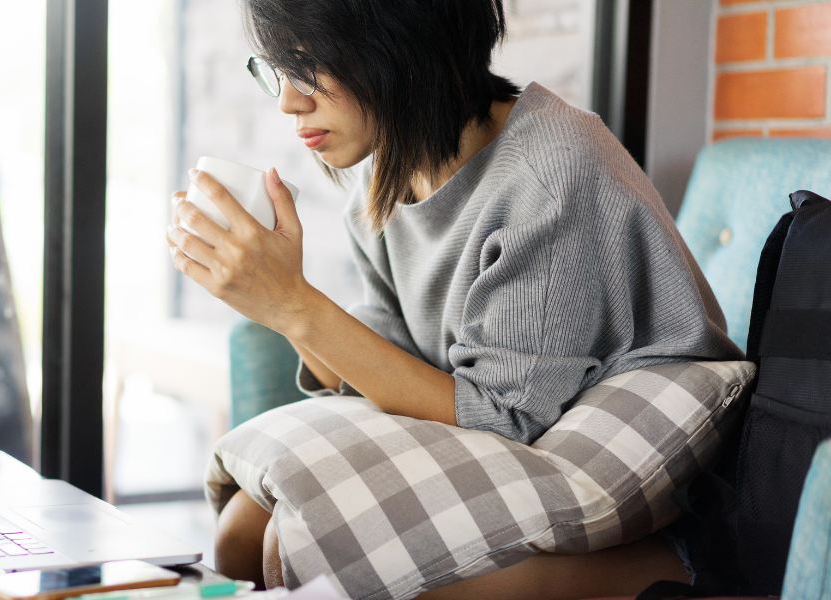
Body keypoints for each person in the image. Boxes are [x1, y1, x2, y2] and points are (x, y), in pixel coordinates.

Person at [164, 0, 743, 597]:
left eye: (311, 66)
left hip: (620, 450)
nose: (289, 100)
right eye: (278, 69)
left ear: (407, 39)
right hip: (502, 418)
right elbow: (384, 356)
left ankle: (660, 566)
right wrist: (270, 294)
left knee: (297, 548)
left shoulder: (548, 172)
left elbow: (505, 419)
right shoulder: (384, 170)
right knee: (239, 532)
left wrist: (292, 303)